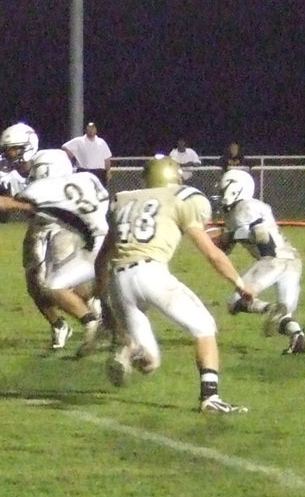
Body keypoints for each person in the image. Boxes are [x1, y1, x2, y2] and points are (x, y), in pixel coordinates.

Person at [97, 156, 253, 413]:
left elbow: (101, 260)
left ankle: (131, 350)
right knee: (204, 327)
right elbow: (212, 253)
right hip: (151, 273)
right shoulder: (178, 199)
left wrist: (104, 301)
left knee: (150, 363)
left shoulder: (123, 202)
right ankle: (210, 398)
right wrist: (238, 282)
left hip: (118, 280)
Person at [0, 149, 108, 352]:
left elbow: (14, 205)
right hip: (101, 240)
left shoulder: (46, 188)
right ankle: (87, 316)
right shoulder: (86, 179)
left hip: (76, 237)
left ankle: (92, 320)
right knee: (39, 284)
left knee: (54, 285)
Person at [215, 170, 305, 354]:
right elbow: (229, 246)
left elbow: (261, 235)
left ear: (235, 188)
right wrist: (219, 243)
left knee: (235, 302)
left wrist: (228, 236)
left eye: (224, 187)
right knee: (284, 316)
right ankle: (297, 338)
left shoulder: (246, 207)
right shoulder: (239, 211)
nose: (221, 192)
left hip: (273, 260)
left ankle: (271, 308)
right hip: (292, 261)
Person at [62, 122, 112, 186]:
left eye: (93, 128)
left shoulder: (101, 142)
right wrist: (70, 155)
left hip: (99, 172)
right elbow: (65, 148)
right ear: (86, 130)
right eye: (89, 128)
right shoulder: (78, 141)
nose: (91, 130)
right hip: (84, 171)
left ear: (96, 130)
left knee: (100, 193)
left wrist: (108, 171)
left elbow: (107, 159)